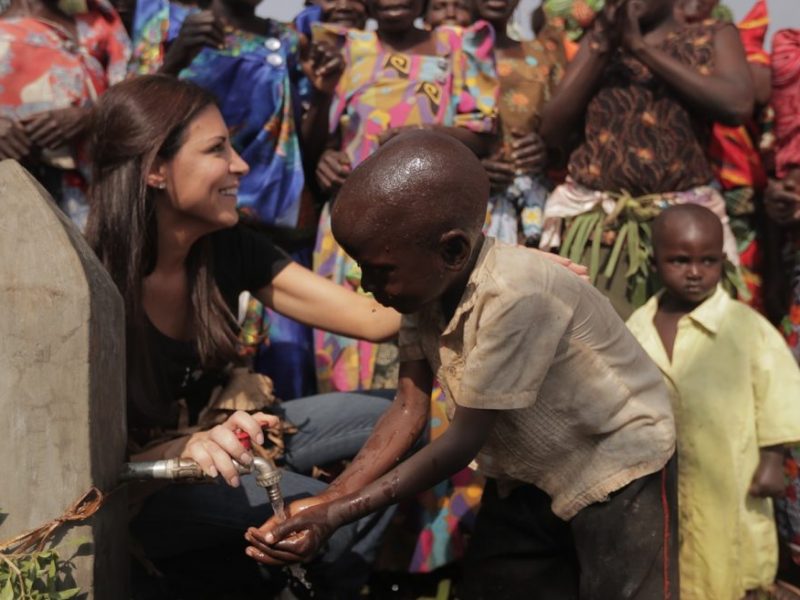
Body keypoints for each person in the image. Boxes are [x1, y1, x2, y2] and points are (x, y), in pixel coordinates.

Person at [244, 131, 678, 600]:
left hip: (616, 466)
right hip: (530, 471)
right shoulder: (426, 289)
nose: (367, 286)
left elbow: (461, 441)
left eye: (379, 270)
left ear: (452, 251)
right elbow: (408, 409)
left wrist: (337, 514)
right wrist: (327, 499)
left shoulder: (516, 296)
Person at [85, 75, 401, 598]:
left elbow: (376, 319)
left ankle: (309, 581)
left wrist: (483, 268)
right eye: (217, 149)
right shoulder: (89, 285)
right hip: (139, 488)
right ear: (156, 170)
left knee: (403, 422)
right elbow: (83, 459)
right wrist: (188, 446)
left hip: (227, 446)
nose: (241, 165)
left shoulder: (228, 249)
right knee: (328, 517)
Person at [129, 0, 345, 400]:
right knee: (205, 383)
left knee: (286, 381)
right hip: (196, 236)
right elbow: (129, 120)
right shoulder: (167, 24)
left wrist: (321, 95)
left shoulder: (287, 40)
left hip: (274, 235)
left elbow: (302, 150)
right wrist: (175, 59)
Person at [311, 0, 498, 393]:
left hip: (431, 232)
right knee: (352, 356)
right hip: (353, 232)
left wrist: (420, 135)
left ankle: (436, 448)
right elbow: (319, 140)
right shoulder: (344, 46)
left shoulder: (461, 44)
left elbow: (484, 133)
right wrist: (325, 157)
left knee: (445, 356)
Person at [626, 204, 800, 600]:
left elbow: (780, 392)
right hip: (657, 482)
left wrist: (773, 459)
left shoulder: (745, 326)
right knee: (669, 561)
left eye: (708, 261)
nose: (694, 272)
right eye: (680, 260)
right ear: (655, 261)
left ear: (723, 260)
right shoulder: (635, 328)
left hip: (733, 478)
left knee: (731, 560)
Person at [539, 0, 753, 318]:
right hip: (603, 233)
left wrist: (640, 48)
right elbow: (550, 130)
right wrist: (603, 49)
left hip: (686, 236)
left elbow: (736, 106)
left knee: (687, 350)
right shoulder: (598, 43)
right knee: (598, 351)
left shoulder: (712, 35)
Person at [0, 0, 130, 229]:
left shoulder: (100, 24)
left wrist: (90, 117)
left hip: (102, 205)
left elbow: (140, 106)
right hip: (18, 212)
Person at [476, 0, 565, 247]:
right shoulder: (444, 53)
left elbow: (568, 127)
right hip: (466, 203)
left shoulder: (543, 53)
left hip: (530, 206)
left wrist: (546, 147)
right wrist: (471, 164)